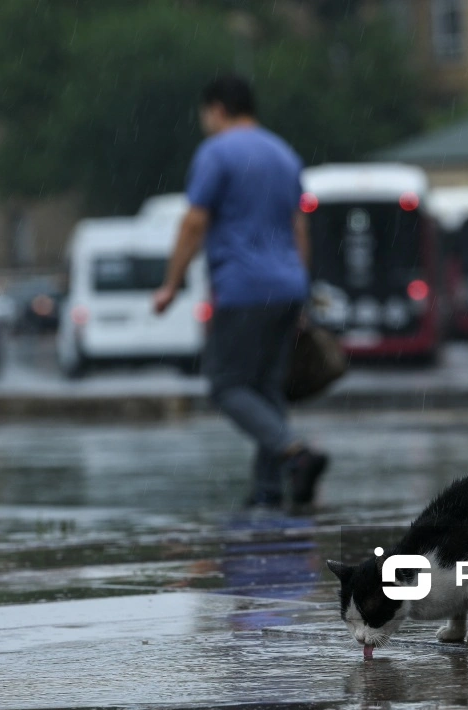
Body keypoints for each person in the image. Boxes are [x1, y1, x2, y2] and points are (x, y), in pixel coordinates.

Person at [154, 74, 328, 510]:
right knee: (267, 389)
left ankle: (296, 453)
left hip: (243, 287)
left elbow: (194, 222)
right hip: (287, 285)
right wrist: (300, 288)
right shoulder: (283, 153)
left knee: (225, 385)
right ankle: (268, 491)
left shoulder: (216, 153)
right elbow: (299, 225)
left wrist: (171, 283)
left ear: (216, 109)